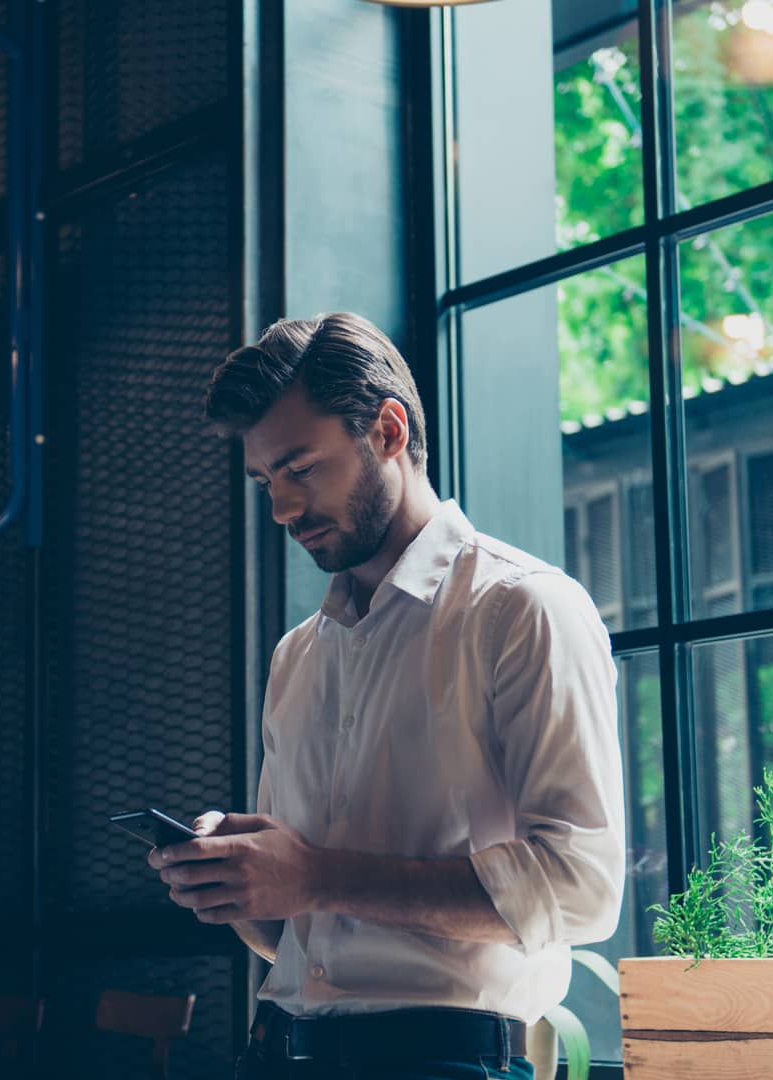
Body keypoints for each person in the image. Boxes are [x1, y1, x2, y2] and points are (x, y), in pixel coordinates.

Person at [149, 312, 626, 1079]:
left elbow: (582, 890)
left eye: (301, 468)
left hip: (440, 1064)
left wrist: (315, 874)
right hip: (278, 1053)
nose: (281, 509)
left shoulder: (523, 608)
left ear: (389, 431)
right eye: (267, 480)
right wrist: (245, 879)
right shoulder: (298, 655)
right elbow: (299, 926)